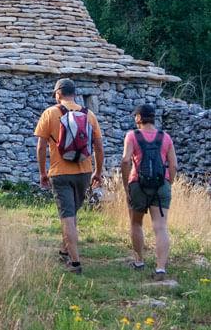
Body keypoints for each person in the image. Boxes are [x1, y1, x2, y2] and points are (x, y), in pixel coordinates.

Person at [35, 78, 104, 274]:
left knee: (67, 217)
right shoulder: (88, 114)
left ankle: (75, 263)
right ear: (75, 94)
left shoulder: (50, 113)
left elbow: (41, 147)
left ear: (58, 94)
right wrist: (98, 172)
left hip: (60, 172)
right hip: (84, 171)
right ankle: (65, 250)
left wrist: (42, 172)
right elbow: (98, 146)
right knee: (72, 215)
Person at [121, 104, 177, 281]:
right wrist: (169, 183)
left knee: (136, 223)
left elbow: (125, 161)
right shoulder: (165, 137)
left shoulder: (132, 136)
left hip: (138, 184)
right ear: (153, 117)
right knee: (160, 227)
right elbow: (174, 165)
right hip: (161, 185)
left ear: (138, 118)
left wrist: (126, 186)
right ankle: (160, 269)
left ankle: (139, 261)